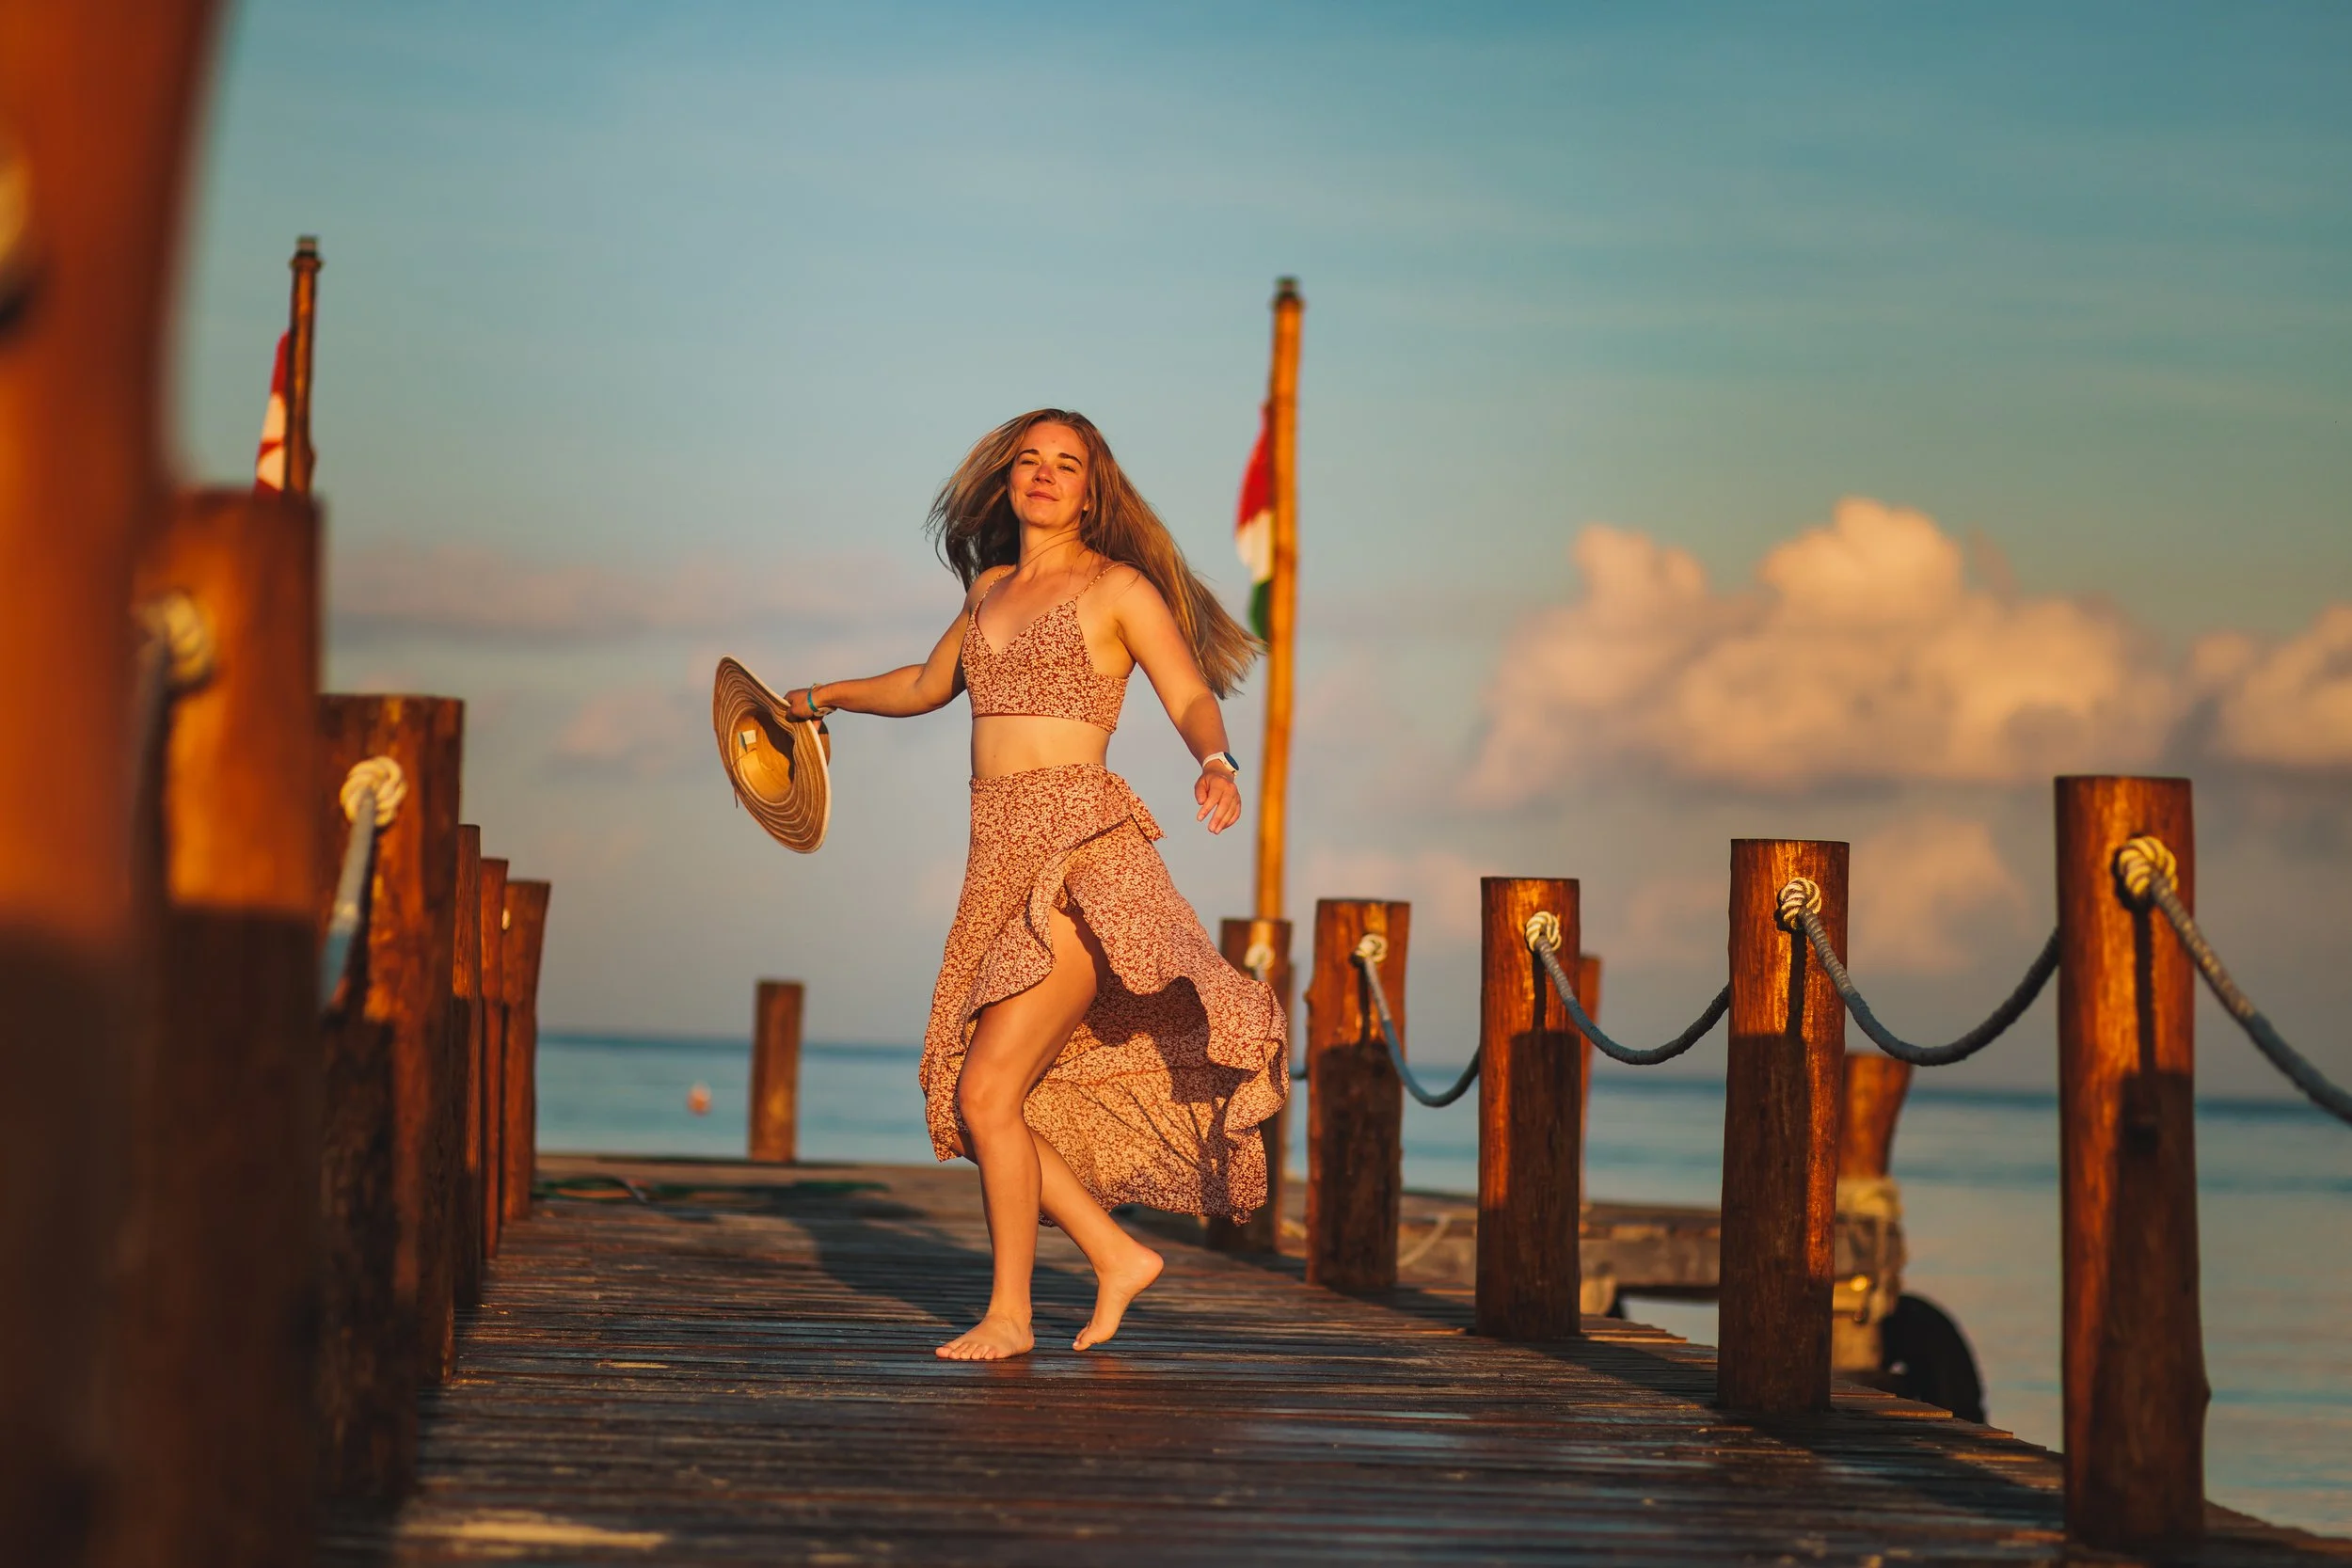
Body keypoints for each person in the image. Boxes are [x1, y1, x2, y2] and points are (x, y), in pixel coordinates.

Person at [784, 409, 1288, 1361]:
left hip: (1080, 861)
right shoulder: (987, 589)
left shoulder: (1116, 586)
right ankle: (1113, 1252)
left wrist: (1216, 760)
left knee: (985, 1092)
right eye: (1031, 460)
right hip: (996, 867)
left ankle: (1011, 1314)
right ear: (1007, 479)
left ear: (1094, 489)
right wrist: (824, 695)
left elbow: (1185, 687)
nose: (1047, 476)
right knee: (976, 1102)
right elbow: (931, 684)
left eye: (1068, 464)